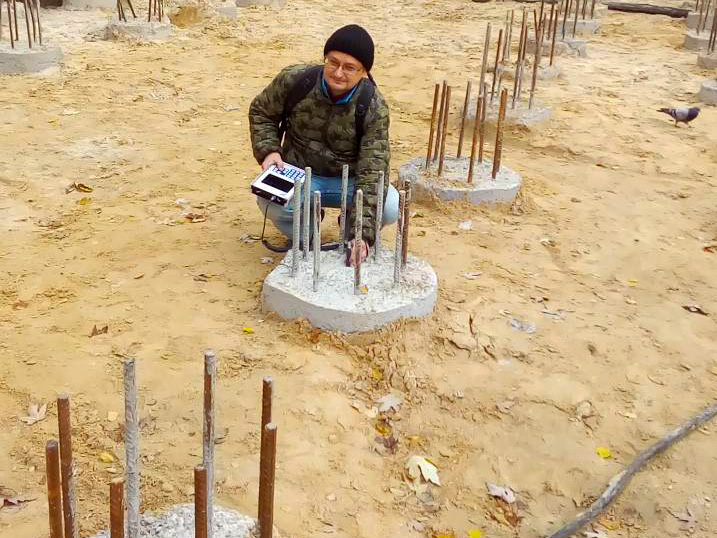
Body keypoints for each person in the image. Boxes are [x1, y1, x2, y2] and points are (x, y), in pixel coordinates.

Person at [248, 24, 398, 266]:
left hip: (348, 182)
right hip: (299, 174)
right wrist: (269, 150)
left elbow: (373, 168)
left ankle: (350, 229)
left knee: (389, 206)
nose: (338, 73)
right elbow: (261, 111)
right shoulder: (296, 80)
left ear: (364, 72)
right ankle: (305, 235)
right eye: (333, 62)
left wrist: (362, 232)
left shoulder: (373, 105)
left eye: (349, 67)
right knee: (270, 202)